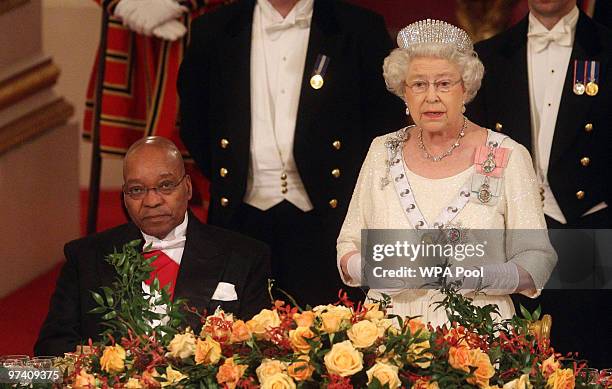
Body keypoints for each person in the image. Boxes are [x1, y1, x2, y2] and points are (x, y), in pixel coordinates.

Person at [178, 0, 405, 307]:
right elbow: (195, 120)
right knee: (235, 344)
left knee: (331, 344)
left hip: (329, 220)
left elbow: (384, 124)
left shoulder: (359, 28)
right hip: (240, 218)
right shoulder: (213, 29)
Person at [337, 19, 557, 326]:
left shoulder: (506, 154)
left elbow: (538, 257)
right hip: (386, 333)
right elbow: (348, 244)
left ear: (465, 89)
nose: (431, 97)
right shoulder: (382, 150)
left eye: (443, 83)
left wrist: (479, 277)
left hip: (476, 335)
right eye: (418, 84)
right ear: (404, 91)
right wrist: (376, 271)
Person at [467, 0, 612, 367]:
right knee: (513, 363)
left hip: (588, 226)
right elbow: (483, 152)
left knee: (583, 361)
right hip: (512, 234)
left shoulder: (607, 48)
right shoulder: (488, 54)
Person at [35, 137, 271, 356]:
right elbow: (52, 348)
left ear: (188, 188)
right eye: (137, 190)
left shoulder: (245, 256)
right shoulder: (85, 257)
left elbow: (257, 352)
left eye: (166, 185)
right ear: (124, 196)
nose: (152, 201)